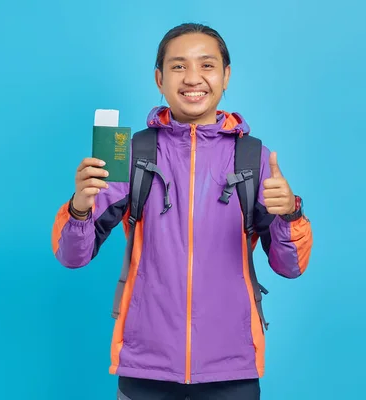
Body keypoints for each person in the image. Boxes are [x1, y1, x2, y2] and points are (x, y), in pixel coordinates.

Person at [51, 22, 313, 400]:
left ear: (226, 76)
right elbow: (72, 257)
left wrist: (289, 213)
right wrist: (79, 208)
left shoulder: (253, 156)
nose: (193, 78)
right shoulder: (131, 153)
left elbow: (291, 266)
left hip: (232, 369)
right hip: (145, 368)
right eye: (178, 66)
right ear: (159, 78)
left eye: (206, 65)